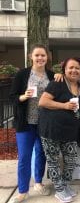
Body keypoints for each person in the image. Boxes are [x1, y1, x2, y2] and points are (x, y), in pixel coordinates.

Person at [9, 44, 53, 203]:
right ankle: (22, 191)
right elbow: (12, 96)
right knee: (24, 157)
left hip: (45, 123)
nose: (40, 58)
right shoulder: (22, 74)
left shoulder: (52, 75)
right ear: (31, 57)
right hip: (25, 123)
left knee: (41, 154)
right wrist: (23, 97)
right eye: (37, 55)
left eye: (43, 55)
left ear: (47, 57)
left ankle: (39, 183)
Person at [38, 57, 80, 203]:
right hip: (52, 129)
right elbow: (43, 102)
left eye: (77, 68)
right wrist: (64, 106)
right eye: (70, 67)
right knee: (53, 161)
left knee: (70, 160)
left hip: (70, 131)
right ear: (64, 70)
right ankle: (59, 189)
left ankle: (64, 184)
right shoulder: (57, 83)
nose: (74, 70)